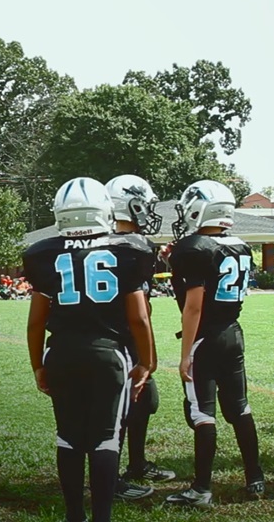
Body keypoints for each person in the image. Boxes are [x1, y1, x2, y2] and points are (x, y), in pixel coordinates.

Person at [24, 177, 154, 522]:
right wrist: (146, 362)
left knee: (67, 436)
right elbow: (139, 318)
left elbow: (36, 322)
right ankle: (102, 517)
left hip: (62, 353)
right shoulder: (129, 249)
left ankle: (73, 516)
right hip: (108, 353)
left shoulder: (43, 253)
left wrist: (37, 364)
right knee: (105, 438)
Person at [165, 179, 264, 507]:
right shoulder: (239, 245)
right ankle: (256, 478)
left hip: (205, 337)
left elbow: (194, 305)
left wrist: (185, 354)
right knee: (239, 407)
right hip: (233, 333)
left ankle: (202, 488)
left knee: (202, 411)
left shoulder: (194, 248)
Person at [104, 175, 175, 501]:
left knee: (145, 400)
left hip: (121, 334)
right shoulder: (135, 246)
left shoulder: (109, 240)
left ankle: (136, 464)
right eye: (144, 203)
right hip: (120, 337)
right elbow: (140, 307)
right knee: (121, 407)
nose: (148, 210)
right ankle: (113, 477)